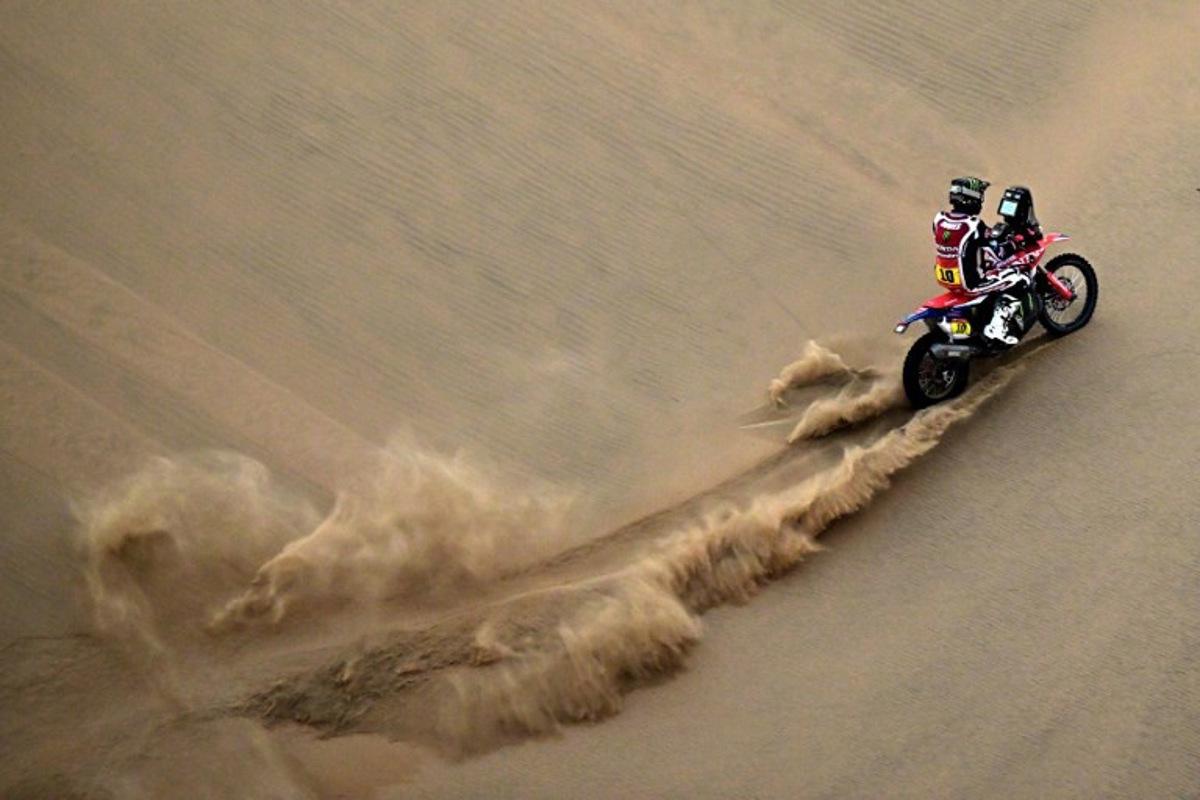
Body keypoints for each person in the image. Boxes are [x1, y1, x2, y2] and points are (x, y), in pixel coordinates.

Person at [932, 177, 1035, 347]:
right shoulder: (973, 225)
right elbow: (996, 249)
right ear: (970, 199)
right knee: (1020, 279)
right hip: (971, 284)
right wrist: (1012, 243)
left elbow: (958, 245)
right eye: (980, 196)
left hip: (947, 279)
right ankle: (997, 328)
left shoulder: (939, 220)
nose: (981, 201)